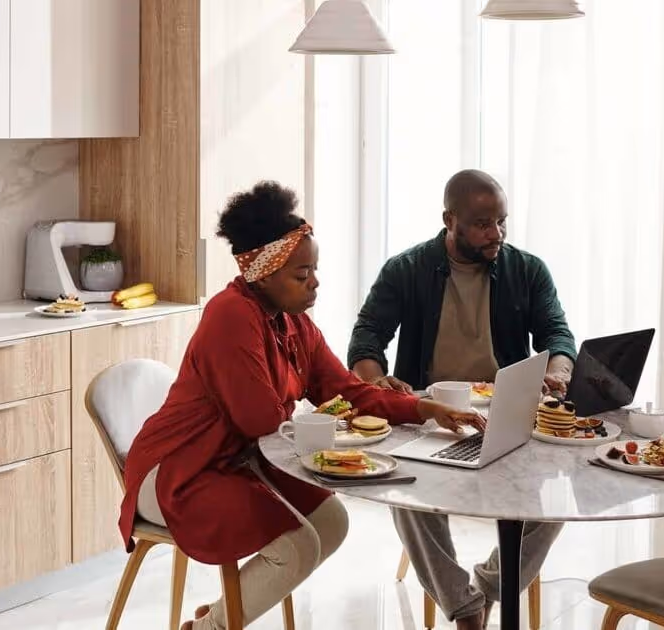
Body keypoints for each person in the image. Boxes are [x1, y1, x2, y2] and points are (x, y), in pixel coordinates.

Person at [119, 181, 485, 630]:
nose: (315, 282)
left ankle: (216, 617)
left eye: (315, 269)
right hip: (178, 470)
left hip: (234, 462)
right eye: (302, 274)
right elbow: (259, 419)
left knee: (330, 521)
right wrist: (321, 411)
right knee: (296, 545)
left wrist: (425, 409)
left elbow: (347, 391)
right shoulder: (230, 315)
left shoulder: (294, 324)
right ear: (264, 274)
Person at [347, 169, 577, 629]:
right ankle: (466, 609)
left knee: (554, 504)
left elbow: (557, 333)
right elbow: (367, 336)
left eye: (502, 221)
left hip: (506, 418)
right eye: (482, 224)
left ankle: (489, 588)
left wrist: (558, 370)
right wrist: (376, 382)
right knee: (404, 494)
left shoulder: (527, 270)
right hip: (430, 416)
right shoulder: (406, 269)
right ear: (449, 220)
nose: (497, 234)